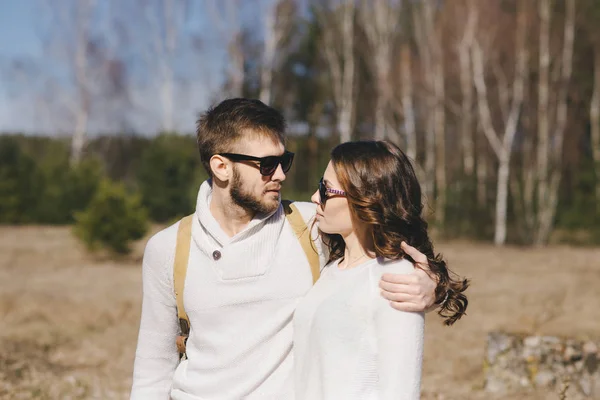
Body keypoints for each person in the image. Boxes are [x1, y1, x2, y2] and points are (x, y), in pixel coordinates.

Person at [130, 99, 443, 400]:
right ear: (221, 167)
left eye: (284, 161)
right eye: (267, 165)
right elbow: (153, 368)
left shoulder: (311, 226)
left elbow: (378, 252)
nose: (280, 174)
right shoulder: (169, 249)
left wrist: (432, 285)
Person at [293, 140, 469, 400]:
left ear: (365, 199)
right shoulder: (332, 266)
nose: (315, 197)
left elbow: (401, 390)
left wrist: (437, 285)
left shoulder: (396, 277)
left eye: (325, 189)